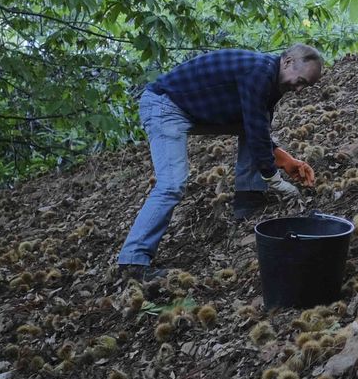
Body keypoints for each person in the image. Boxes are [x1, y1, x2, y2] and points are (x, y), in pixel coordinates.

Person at [116, 45, 323, 279]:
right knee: (171, 184)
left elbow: (257, 127)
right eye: (301, 80)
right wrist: (274, 179)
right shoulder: (259, 72)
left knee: (257, 123)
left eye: (306, 86)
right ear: (287, 62)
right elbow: (255, 128)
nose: (299, 89)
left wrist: (286, 161)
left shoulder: (272, 79)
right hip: (164, 105)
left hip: (193, 108)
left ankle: (249, 198)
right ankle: (133, 261)